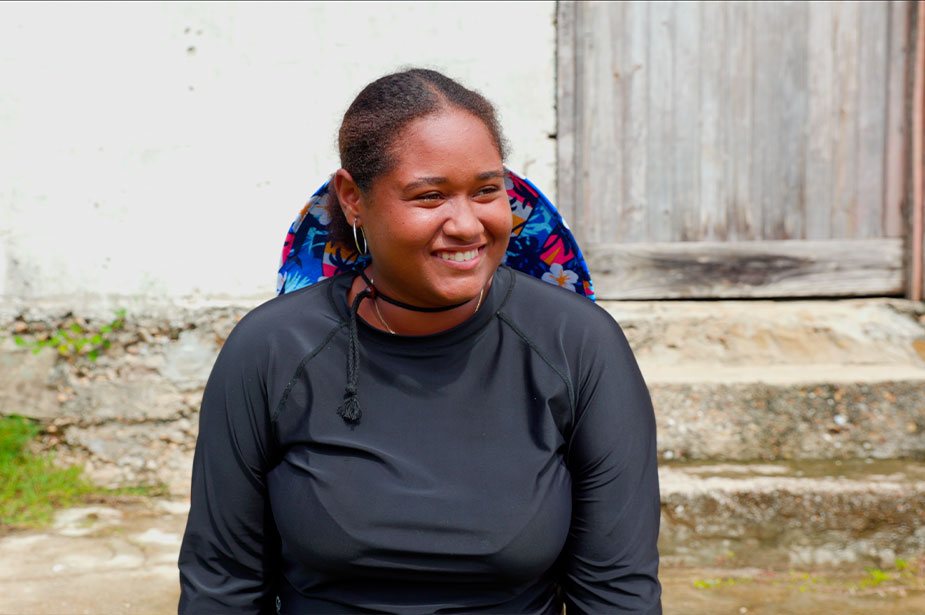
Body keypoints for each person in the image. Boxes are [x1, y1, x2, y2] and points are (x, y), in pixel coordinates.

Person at [178, 68, 661, 614]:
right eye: (430, 196)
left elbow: (618, 593)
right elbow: (221, 584)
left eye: (487, 191)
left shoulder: (580, 345)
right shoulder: (270, 349)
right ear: (353, 198)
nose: (467, 225)